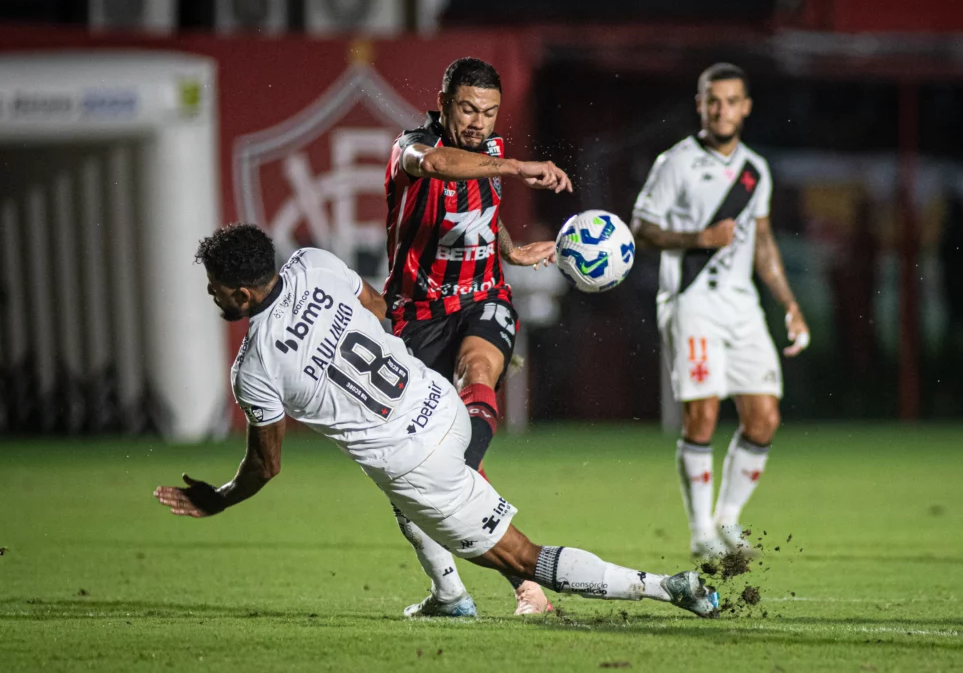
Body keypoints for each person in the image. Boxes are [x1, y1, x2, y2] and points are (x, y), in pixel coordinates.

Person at [154, 224, 720, 622]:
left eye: (215, 288)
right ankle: (449, 597)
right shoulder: (312, 263)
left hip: (417, 463)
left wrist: (221, 499)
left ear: (242, 293)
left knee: (525, 559)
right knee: (403, 495)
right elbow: (377, 309)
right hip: (439, 400)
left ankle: (664, 589)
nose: (212, 295)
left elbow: (265, 464)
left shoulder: (254, 366)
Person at [382, 57, 571, 614]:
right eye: (467, 108)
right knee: (411, 470)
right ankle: (453, 593)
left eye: (488, 112)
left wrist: (509, 251)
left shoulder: (490, 155)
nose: (478, 122)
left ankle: (526, 585)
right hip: (417, 318)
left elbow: (481, 207)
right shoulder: (410, 149)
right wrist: (515, 167)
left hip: (483, 298)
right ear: (443, 102)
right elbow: (440, 165)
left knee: (478, 373)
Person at [631, 63, 810, 559]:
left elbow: (763, 241)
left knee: (763, 419)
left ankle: (728, 522)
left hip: (742, 305)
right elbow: (642, 229)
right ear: (700, 104)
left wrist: (790, 305)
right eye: (713, 100)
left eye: (731, 101)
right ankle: (700, 533)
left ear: (745, 107)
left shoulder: (756, 170)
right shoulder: (676, 163)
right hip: (690, 301)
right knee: (703, 415)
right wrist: (697, 239)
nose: (721, 109)